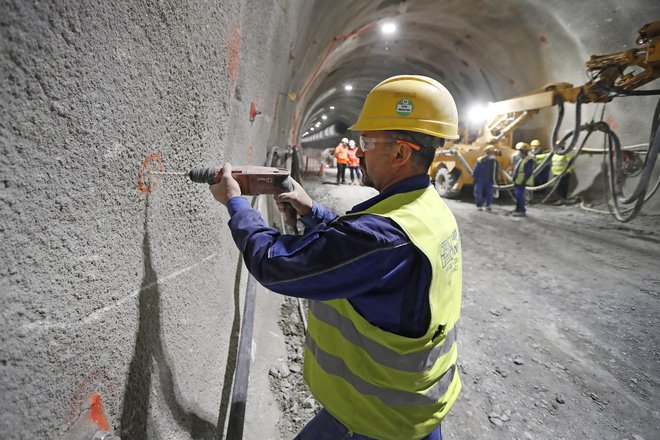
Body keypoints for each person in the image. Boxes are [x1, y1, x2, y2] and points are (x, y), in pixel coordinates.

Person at [210, 75, 463, 440]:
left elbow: (276, 264)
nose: (359, 152)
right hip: (408, 404)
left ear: (401, 152)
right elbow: (358, 241)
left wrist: (236, 204)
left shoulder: (385, 237)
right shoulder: (426, 211)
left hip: (378, 419)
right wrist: (312, 211)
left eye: (367, 142)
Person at [472, 144, 499, 211]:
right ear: (488, 152)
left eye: (494, 152)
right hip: (480, 179)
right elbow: (476, 170)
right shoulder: (481, 160)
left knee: (489, 193)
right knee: (479, 192)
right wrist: (475, 178)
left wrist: (495, 180)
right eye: (492, 152)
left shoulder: (494, 161)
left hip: (489, 180)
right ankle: (479, 205)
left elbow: (496, 171)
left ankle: (488, 205)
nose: (493, 154)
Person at [511, 141, 534, 217]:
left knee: (520, 196)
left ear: (523, 152)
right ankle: (518, 209)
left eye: (520, 151)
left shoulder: (528, 160)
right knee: (517, 195)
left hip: (522, 181)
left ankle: (522, 211)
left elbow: (528, 172)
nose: (518, 153)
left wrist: (523, 181)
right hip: (518, 181)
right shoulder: (522, 159)